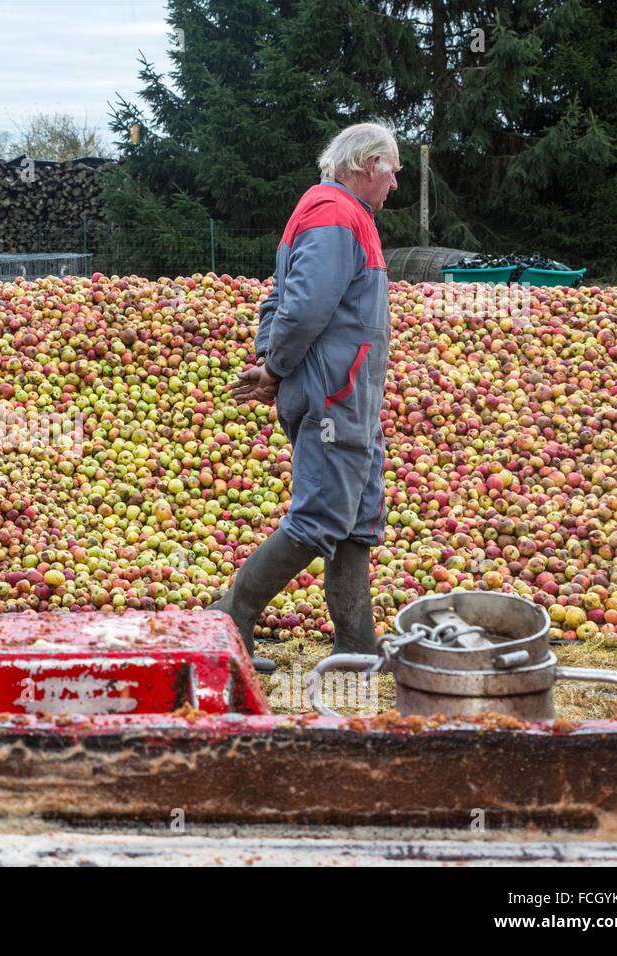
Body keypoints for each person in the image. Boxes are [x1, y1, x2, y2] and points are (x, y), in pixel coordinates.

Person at [210, 122, 399, 674]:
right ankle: (232, 618)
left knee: (357, 519)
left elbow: (278, 301)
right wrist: (277, 366)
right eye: (393, 170)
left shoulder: (338, 214)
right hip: (334, 394)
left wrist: (273, 364)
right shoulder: (334, 214)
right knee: (319, 517)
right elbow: (302, 307)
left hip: (352, 395)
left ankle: (357, 645)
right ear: (367, 165)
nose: (395, 184)